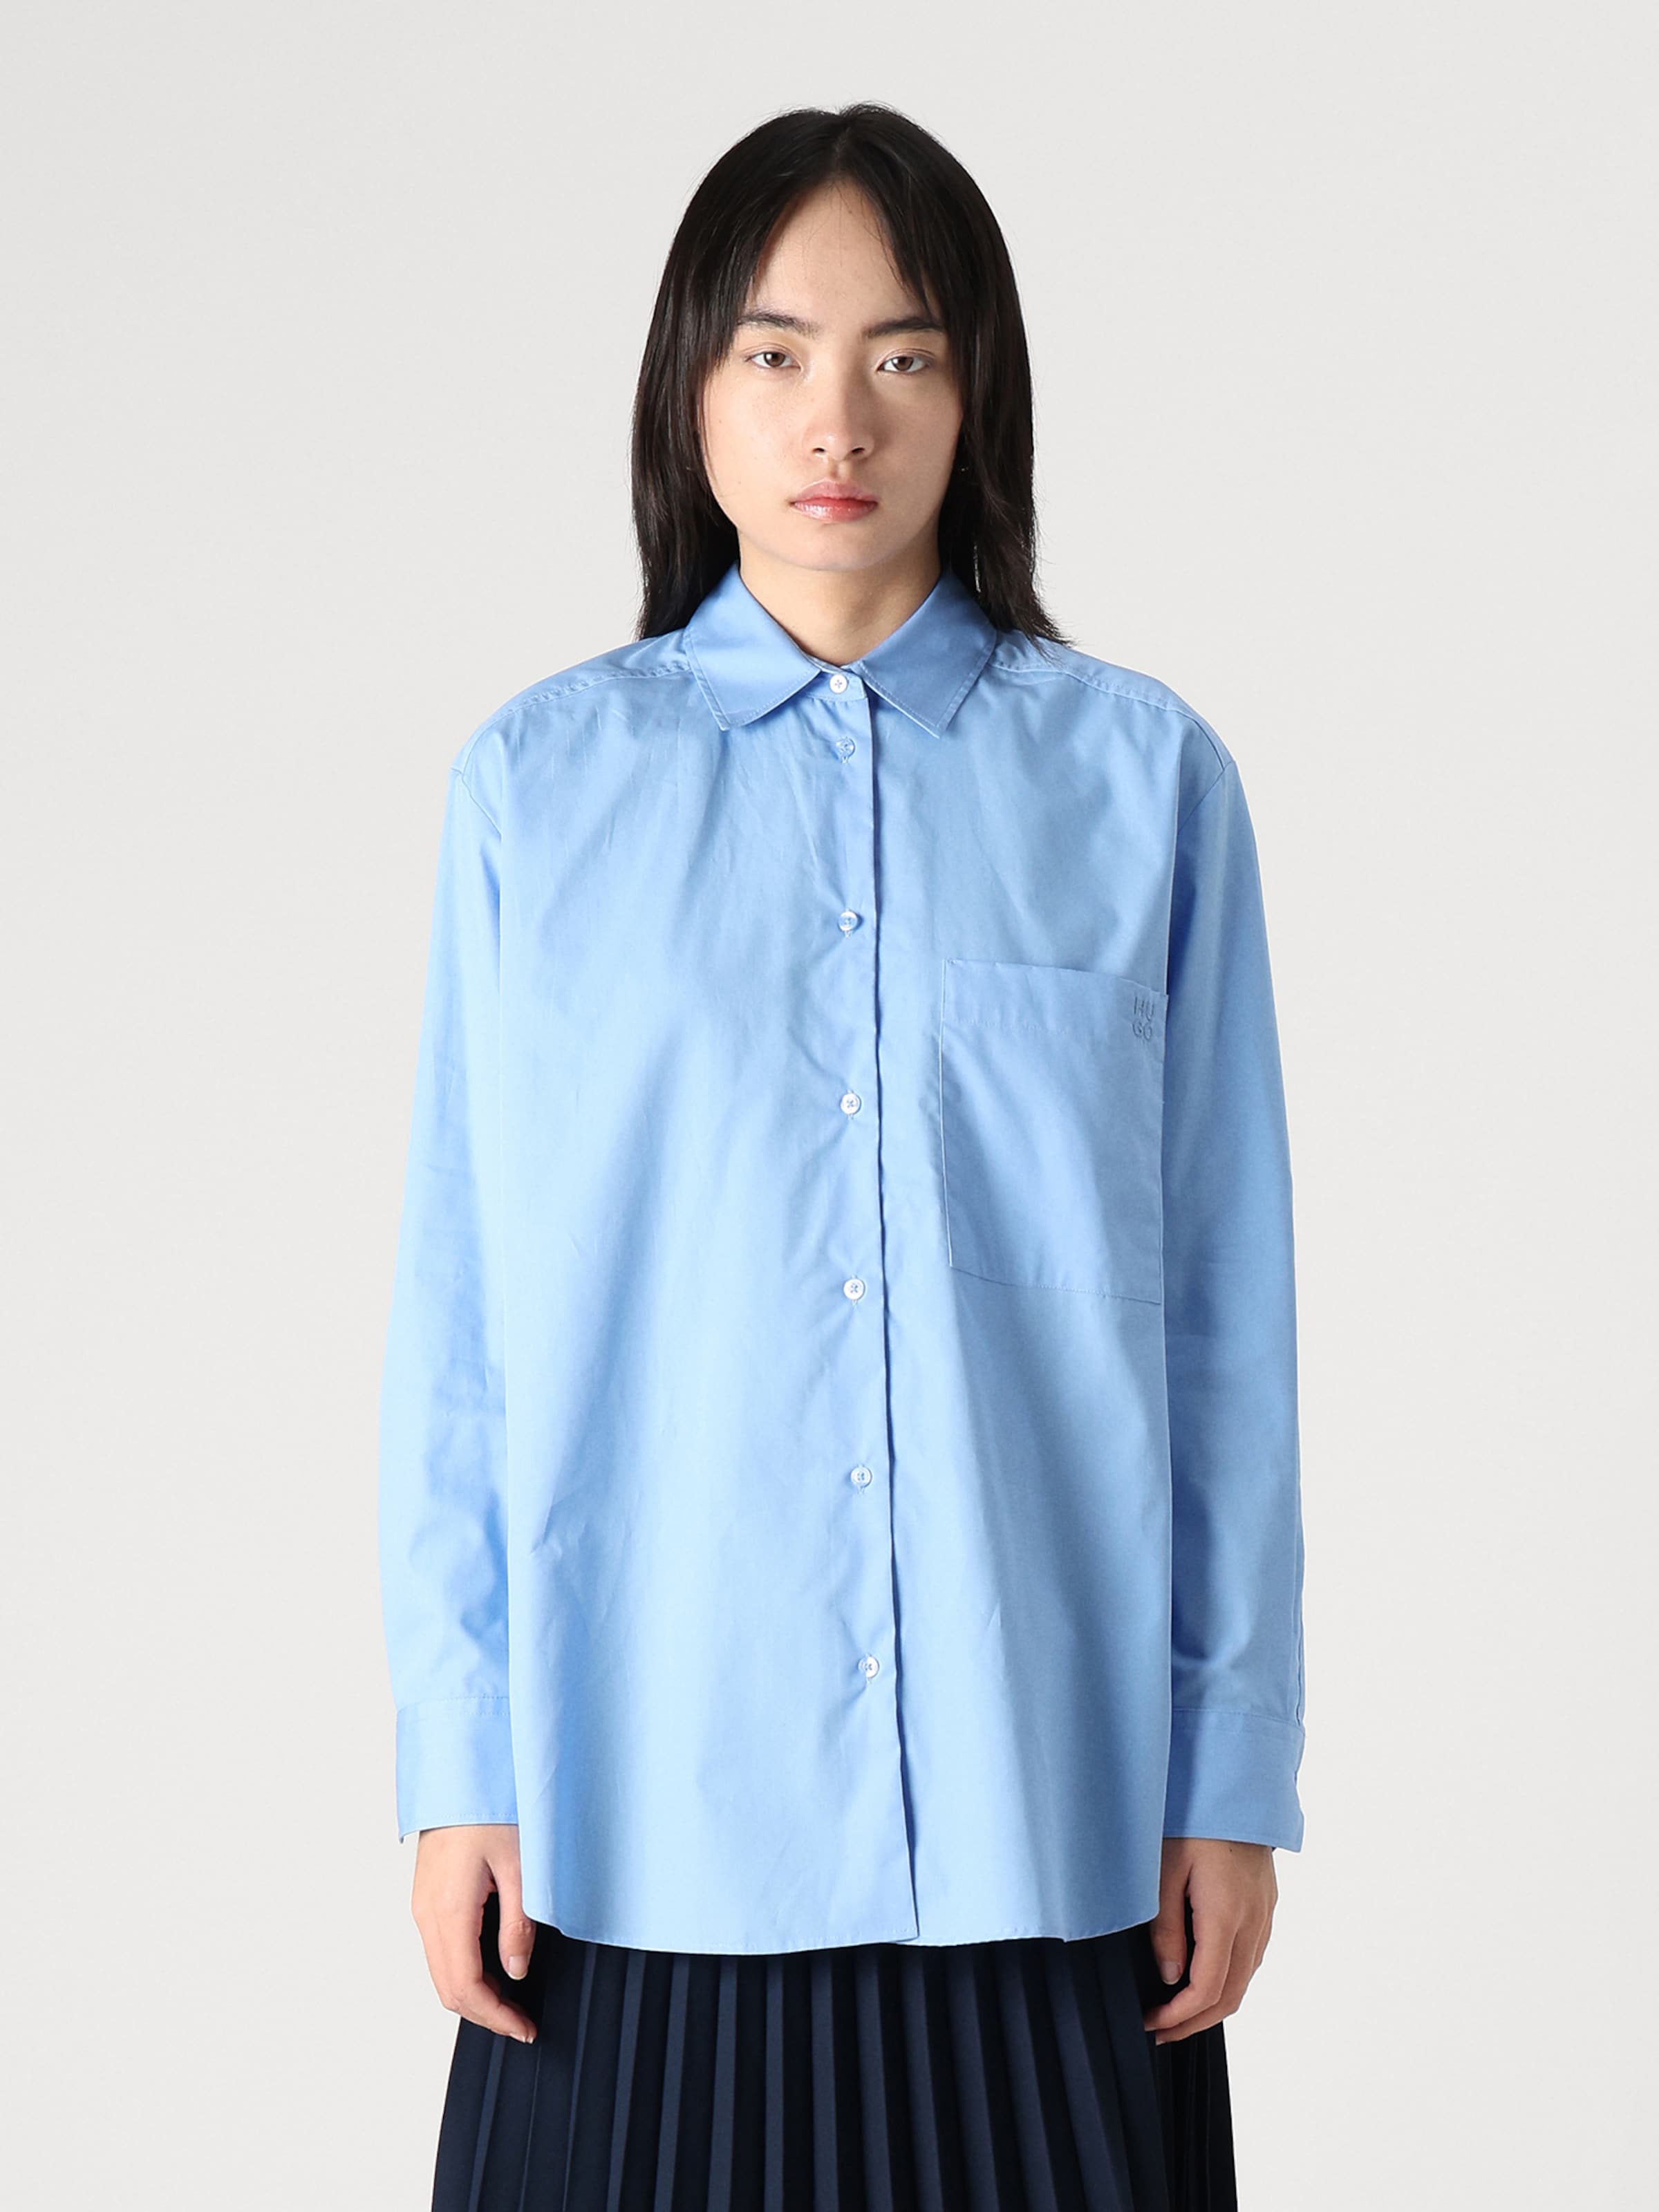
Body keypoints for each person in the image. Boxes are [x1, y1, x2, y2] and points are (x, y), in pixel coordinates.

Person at [377, 101, 1306, 2212]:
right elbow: (467, 1319)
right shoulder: (538, 791)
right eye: (775, 351)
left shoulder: (1146, 784)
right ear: (687, 388)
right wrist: (458, 1761)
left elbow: (1225, 1324)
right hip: (632, 1829)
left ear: (979, 394)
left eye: (905, 355)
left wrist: (1232, 1765)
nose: (839, 419)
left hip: (1054, 1827)